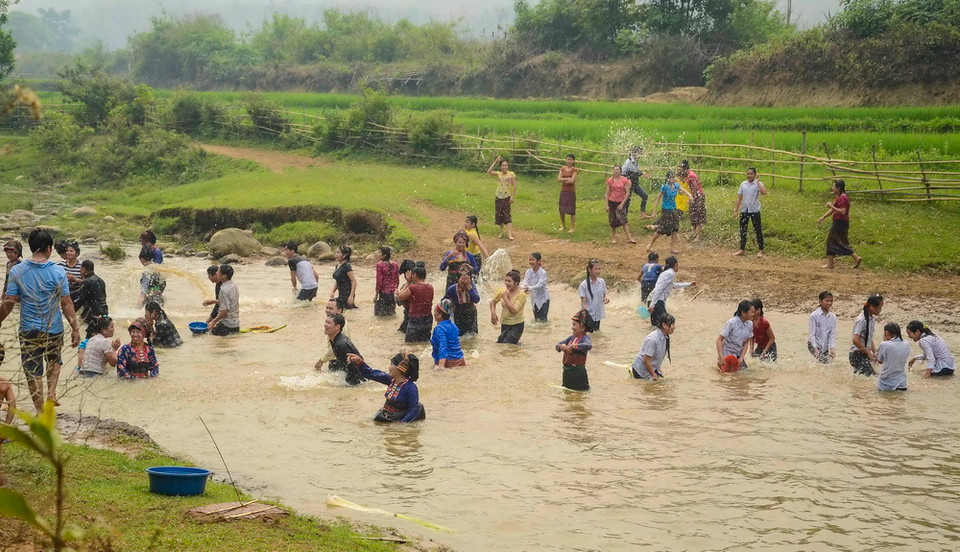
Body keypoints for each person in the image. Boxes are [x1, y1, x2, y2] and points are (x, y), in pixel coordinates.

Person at [0, 229, 81, 412]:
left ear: (31, 247)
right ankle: (51, 393)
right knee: (55, 360)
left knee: (32, 371)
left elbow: (9, 301)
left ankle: (40, 410)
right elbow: (66, 302)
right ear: (49, 249)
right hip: (54, 328)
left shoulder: (17, 271)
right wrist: (75, 329)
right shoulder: (58, 271)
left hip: (28, 329)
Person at [346, 352, 425, 422]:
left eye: (392, 364)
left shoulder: (410, 388)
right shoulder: (390, 380)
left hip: (397, 420)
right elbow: (371, 373)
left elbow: (413, 409)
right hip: (386, 416)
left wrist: (401, 424)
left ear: (400, 369)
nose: (389, 367)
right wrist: (360, 362)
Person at [817, 179, 863, 269]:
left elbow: (842, 211)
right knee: (834, 241)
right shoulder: (839, 197)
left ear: (838, 188)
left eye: (833, 186)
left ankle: (855, 257)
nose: (832, 188)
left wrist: (830, 205)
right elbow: (833, 209)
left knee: (835, 242)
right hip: (841, 222)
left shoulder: (843, 197)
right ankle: (831, 263)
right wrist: (823, 217)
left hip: (840, 222)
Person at [647, 171, 692, 254]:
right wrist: (654, 211)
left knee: (675, 228)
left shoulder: (676, 185)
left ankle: (672, 247)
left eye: (673, 177)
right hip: (666, 210)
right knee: (661, 229)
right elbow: (658, 198)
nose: (672, 179)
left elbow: (683, 190)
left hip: (674, 209)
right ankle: (650, 244)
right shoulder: (664, 187)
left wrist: (689, 195)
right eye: (671, 177)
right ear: (667, 178)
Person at [645, 256, 695, 327]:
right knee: (668, 323)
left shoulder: (667, 273)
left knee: (656, 326)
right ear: (675, 265)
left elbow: (673, 285)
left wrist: (689, 284)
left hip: (653, 300)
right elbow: (659, 289)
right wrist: (652, 305)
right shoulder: (670, 273)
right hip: (656, 301)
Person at [734, 167, 767, 258]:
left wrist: (758, 182)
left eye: (751, 174)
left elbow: (764, 192)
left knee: (758, 230)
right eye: (748, 174)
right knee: (743, 230)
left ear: (755, 174)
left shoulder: (758, 184)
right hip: (744, 210)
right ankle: (742, 249)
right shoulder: (743, 184)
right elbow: (739, 197)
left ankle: (761, 250)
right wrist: (735, 210)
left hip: (754, 210)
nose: (749, 175)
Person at [556, 309, 593, 391]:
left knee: (580, 392)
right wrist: (561, 346)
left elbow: (588, 345)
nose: (572, 327)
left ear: (583, 327)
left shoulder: (585, 338)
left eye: (574, 325)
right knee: (567, 392)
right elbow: (557, 345)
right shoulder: (571, 338)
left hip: (578, 373)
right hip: (567, 372)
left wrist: (573, 346)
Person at [632, 313, 676, 381]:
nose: (674, 327)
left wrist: (658, 371)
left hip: (652, 367)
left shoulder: (665, 337)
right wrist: (653, 375)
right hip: (641, 370)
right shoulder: (653, 339)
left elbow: (656, 357)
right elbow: (646, 360)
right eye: (672, 324)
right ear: (664, 325)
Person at [323, 313, 363, 385]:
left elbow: (354, 368)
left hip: (358, 381)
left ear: (337, 327)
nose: (325, 325)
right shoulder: (335, 339)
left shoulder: (340, 345)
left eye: (328, 323)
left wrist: (348, 387)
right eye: (325, 322)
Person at [397, 265, 433, 343]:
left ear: (415, 275)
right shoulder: (430, 287)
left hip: (415, 319)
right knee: (424, 342)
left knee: (410, 344)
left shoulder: (412, 287)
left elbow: (400, 297)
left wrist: (408, 282)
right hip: (428, 319)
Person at [72, 260, 109, 338]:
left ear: (84, 269)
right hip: (103, 312)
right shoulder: (101, 280)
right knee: (101, 335)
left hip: (91, 313)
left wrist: (70, 311)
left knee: (90, 336)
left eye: (80, 269)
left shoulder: (86, 282)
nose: (80, 271)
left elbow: (81, 300)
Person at [716, 300, 756, 371]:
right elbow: (719, 340)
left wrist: (741, 357)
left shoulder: (750, 324)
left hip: (738, 355)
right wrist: (721, 358)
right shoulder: (731, 323)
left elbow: (746, 343)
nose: (754, 314)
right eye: (752, 312)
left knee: (745, 374)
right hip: (726, 355)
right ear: (743, 313)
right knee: (726, 376)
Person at [850, 293, 884, 376]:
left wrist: (875, 353)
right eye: (879, 307)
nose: (880, 310)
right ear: (871, 307)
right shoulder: (861, 320)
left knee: (866, 376)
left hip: (864, 353)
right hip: (857, 354)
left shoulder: (872, 318)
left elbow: (869, 337)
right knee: (872, 376)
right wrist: (868, 352)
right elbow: (855, 340)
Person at [491, 269, 527, 344]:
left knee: (506, 344)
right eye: (505, 280)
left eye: (509, 281)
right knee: (501, 345)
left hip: (517, 325)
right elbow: (492, 302)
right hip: (504, 323)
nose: (506, 283)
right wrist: (493, 313)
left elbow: (513, 311)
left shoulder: (521, 295)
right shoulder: (502, 291)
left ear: (516, 283)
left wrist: (505, 298)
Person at [486, 155, 516, 240]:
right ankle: (502, 231)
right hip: (498, 196)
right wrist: (495, 162)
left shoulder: (511, 174)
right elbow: (489, 171)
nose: (504, 167)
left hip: (506, 197)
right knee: (499, 214)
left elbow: (514, 186)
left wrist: (512, 197)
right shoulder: (498, 174)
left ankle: (509, 234)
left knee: (507, 215)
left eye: (506, 165)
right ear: (500, 167)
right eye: (503, 165)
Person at [444, 264, 480, 336]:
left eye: (466, 279)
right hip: (458, 314)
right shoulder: (452, 289)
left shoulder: (471, 286)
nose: (464, 282)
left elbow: (476, 299)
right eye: (462, 279)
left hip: (471, 314)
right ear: (458, 279)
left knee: (473, 335)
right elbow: (444, 301)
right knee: (459, 335)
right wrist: (450, 311)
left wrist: (469, 286)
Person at [605, 165, 637, 244]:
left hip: (620, 201)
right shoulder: (610, 180)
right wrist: (607, 205)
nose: (616, 171)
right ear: (613, 171)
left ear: (620, 171)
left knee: (624, 220)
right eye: (614, 170)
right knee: (612, 221)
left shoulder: (624, 180)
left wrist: (622, 204)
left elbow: (627, 193)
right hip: (612, 201)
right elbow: (607, 193)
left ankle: (629, 238)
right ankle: (613, 238)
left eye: (617, 169)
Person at [876, 322, 910, 391]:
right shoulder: (906, 344)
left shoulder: (884, 344)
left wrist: (884, 341)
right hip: (902, 384)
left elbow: (879, 360)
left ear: (886, 332)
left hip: (886, 384)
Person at [432, 299, 466, 368]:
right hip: (461, 360)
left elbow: (443, 346)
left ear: (440, 315)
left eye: (435, 312)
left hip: (448, 363)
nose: (434, 314)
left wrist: (441, 365)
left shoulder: (439, 328)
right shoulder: (454, 325)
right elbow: (456, 345)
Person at [315, 298, 347, 371]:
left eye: (331, 308)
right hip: (336, 359)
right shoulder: (335, 323)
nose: (327, 310)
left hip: (339, 360)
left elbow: (336, 346)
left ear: (339, 311)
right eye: (327, 308)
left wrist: (322, 360)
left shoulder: (341, 326)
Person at [208, 264, 240, 336]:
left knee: (206, 337)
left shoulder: (224, 290)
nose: (217, 273)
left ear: (224, 276)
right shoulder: (234, 285)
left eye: (218, 272)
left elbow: (225, 310)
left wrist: (213, 321)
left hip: (226, 326)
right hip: (236, 324)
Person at [578, 260, 609, 332]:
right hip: (589, 315)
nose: (598, 271)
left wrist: (605, 298)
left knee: (596, 332)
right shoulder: (584, 285)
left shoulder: (601, 282)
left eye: (599, 269)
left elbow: (604, 295)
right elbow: (583, 302)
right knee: (589, 334)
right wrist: (586, 315)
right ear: (589, 270)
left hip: (598, 314)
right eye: (596, 269)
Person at [807, 291, 838, 364]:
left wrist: (832, 347)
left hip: (825, 346)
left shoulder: (833, 317)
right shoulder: (814, 315)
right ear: (820, 301)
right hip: (813, 344)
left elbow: (832, 334)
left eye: (831, 301)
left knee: (824, 365)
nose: (829, 303)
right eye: (827, 301)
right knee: (824, 362)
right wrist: (815, 348)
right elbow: (812, 334)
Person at [680, 160, 706, 242]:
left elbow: (695, 187)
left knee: (698, 216)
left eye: (680, 169)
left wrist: (692, 197)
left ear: (684, 169)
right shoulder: (688, 175)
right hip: (694, 197)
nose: (680, 170)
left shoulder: (691, 175)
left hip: (698, 197)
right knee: (693, 216)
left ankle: (698, 236)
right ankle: (694, 233)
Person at [521, 252, 550, 323]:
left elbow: (540, 285)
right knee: (536, 319)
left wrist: (529, 288)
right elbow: (525, 283)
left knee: (543, 320)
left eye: (533, 260)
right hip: (534, 299)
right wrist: (520, 288)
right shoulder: (528, 272)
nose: (531, 262)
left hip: (543, 299)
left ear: (539, 261)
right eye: (529, 260)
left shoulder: (542, 272)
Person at [622, 147, 650, 218]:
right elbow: (623, 174)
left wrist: (642, 173)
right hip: (628, 184)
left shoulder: (636, 161)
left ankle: (643, 214)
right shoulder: (628, 162)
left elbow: (636, 171)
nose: (640, 155)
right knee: (627, 200)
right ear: (634, 153)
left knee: (645, 196)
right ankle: (624, 216)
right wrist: (641, 173)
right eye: (639, 153)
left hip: (635, 183)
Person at [374, 246, 399, 317]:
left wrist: (376, 295)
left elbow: (379, 281)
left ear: (384, 255)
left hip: (383, 294)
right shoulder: (395, 265)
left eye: (379, 252)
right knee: (391, 314)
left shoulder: (380, 265)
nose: (377, 254)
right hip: (392, 294)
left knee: (380, 316)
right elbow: (397, 279)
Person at [557, 153, 578, 232]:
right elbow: (558, 179)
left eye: (571, 159)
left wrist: (563, 179)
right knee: (561, 209)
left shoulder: (574, 170)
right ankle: (563, 225)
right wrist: (567, 179)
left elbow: (572, 181)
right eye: (568, 159)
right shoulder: (562, 168)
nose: (569, 161)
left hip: (571, 191)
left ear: (573, 161)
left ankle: (572, 227)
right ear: (565, 160)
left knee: (572, 210)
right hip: (563, 191)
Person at [396, 260, 418, 334]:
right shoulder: (423, 284)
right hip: (421, 318)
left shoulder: (408, 287)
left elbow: (398, 301)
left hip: (409, 317)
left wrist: (407, 283)